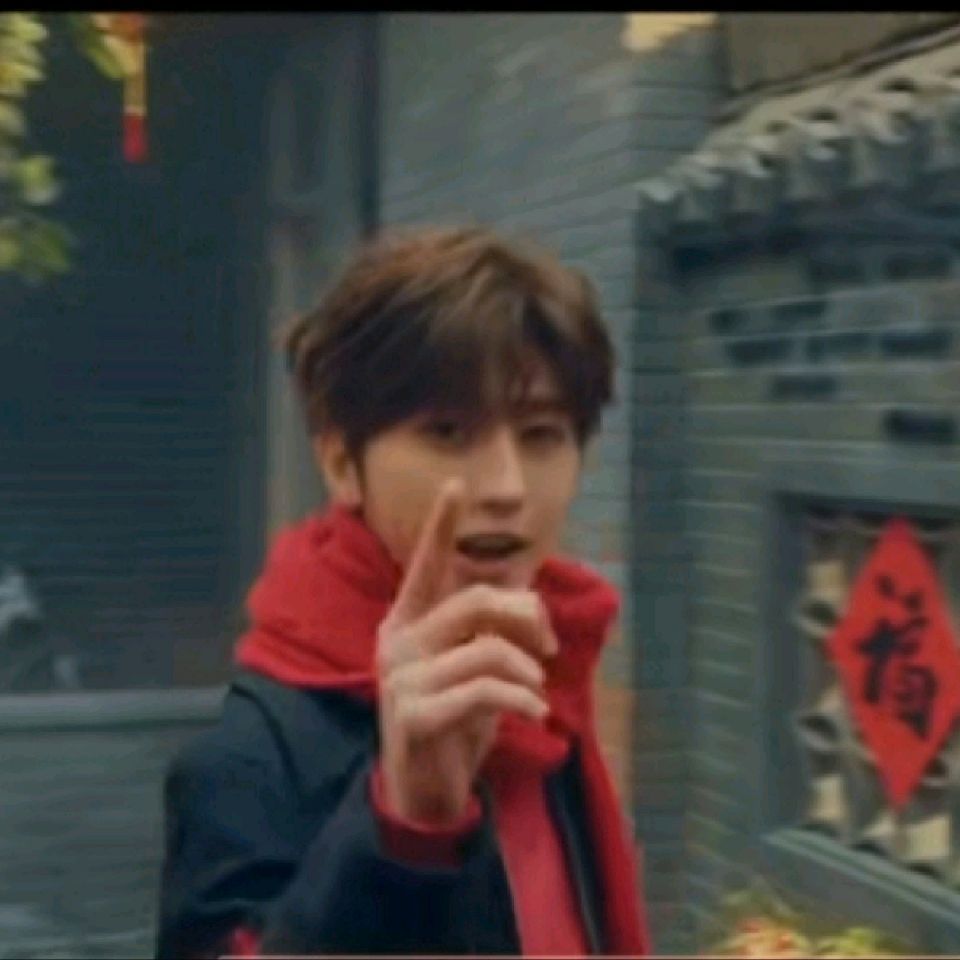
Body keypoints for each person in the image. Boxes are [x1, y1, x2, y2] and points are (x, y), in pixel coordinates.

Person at [155, 225, 651, 958]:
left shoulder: (548, 677)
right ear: (340, 462)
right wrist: (402, 826)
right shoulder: (250, 762)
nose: (506, 487)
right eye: (448, 432)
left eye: (542, 435)